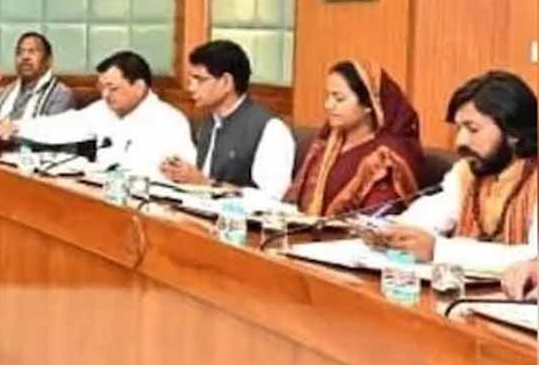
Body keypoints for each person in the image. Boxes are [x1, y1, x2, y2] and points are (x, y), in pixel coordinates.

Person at [380, 71, 536, 270]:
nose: (460, 141)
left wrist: (439, 250)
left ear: (513, 133)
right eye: (458, 129)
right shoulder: (467, 173)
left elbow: (534, 257)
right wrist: (390, 231)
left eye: (473, 129)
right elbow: (430, 213)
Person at [0, 50, 195, 178]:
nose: (105, 95)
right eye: (103, 88)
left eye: (113, 88)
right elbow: (65, 125)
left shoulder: (170, 122)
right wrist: (17, 127)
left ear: (139, 86)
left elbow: (184, 175)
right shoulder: (103, 110)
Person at [285, 60, 424, 216]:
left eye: (339, 99)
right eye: (328, 96)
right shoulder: (328, 142)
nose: (328, 105)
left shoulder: (386, 156)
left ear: (369, 104)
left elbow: (375, 216)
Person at [159, 40, 295, 198]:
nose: (191, 88)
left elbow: (271, 199)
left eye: (199, 80)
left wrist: (205, 184)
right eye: (191, 80)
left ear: (226, 82)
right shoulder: (208, 123)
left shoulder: (271, 129)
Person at [0, 31, 74, 134]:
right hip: (0, 148)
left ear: (48, 60)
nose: (25, 57)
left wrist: (15, 129)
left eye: (32, 51)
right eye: (20, 52)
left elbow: (53, 134)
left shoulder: (61, 94)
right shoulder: (4, 93)